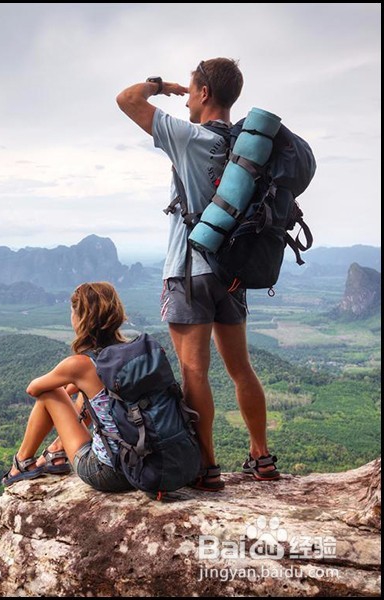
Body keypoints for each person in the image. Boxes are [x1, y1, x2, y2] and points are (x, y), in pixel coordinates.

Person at [115, 58, 280, 491]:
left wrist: (161, 85)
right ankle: (261, 456)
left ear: (205, 94)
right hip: (233, 273)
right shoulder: (247, 147)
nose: (185, 98)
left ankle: (207, 467)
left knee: (194, 372)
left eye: (190, 91)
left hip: (189, 271)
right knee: (241, 369)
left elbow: (126, 99)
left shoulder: (189, 137)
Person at [1, 282, 135, 492]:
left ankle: (21, 462)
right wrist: (77, 386)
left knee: (50, 392)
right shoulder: (131, 352)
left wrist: (67, 389)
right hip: (145, 464)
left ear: (81, 318)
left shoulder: (80, 365)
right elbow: (89, 386)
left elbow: (34, 389)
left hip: (110, 473)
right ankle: (56, 449)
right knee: (89, 394)